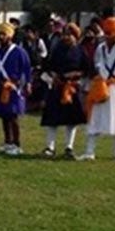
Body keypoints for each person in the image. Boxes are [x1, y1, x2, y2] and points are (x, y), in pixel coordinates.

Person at [79, 17, 115, 161]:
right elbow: (97, 62)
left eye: (112, 34)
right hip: (102, 86)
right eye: (107, 33)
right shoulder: (101, 47)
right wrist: (101, 73)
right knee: (95, 117)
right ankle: (89, 151)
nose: (108, 37)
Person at [39, 24, 88, 158]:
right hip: (57, 86)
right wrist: (53, 75)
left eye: (70, 35)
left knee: (72, 119)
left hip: (72, 88)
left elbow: (87, 68)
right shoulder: (57, 49)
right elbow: (48, 65)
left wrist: (75, 74)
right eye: (65, 34)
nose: (66, 37)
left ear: (76, 36)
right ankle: (50, 147)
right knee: (52, 119)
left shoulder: (80, 50)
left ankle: (69, 147)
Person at [0, 22, 31, 155]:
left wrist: (27, 83)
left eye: (3, 34)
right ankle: (8, 142)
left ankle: (17, 144)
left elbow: (26, 69)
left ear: (10, 36)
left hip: (13, 86)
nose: (1, 37)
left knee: (13, 116)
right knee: (4, 115)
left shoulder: (19, 52)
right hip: (1, 86)